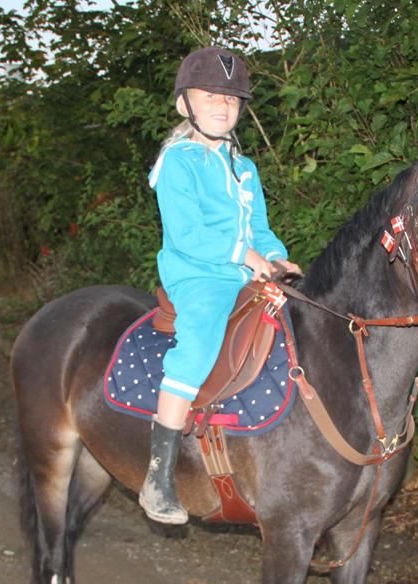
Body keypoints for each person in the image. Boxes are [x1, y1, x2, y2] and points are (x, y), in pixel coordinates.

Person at [139, 46, 300, 525]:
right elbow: (189, 234)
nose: (221, 105)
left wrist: (273, 257)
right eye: (210, 95)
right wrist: (243, 255)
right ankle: (158, 477)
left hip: (244, 271)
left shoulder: (243, 167)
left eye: (231, 99)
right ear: (184, 104)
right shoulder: (178, 162)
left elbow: (261, 228)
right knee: (203, 338)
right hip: (198, 274)